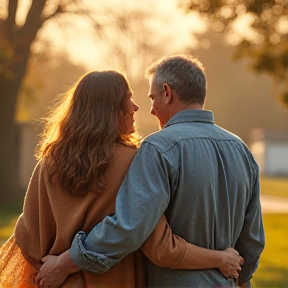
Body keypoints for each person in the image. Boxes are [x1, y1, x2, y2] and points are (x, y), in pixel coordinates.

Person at [0, 70, 242, 288]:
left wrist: (54, 268)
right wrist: (221, 258)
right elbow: (160, 245)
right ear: (109, 108)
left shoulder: (49, 162)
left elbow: (27, 236)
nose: (135, 107)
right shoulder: (136, 162)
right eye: (128, 98)